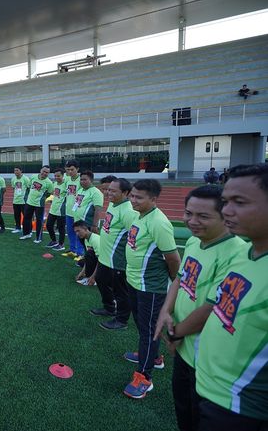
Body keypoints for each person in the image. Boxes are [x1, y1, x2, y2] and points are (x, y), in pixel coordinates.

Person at [152, 185, 247, 431]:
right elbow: (181, 278)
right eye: (188, 213)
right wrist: (165, 311)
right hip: (183, 350)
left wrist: (176, 333)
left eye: (203, 216)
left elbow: (212, 308)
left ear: (225, 215)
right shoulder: (195, 241)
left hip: (206, 357)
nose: (192, 221)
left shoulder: (237, 254)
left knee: (200, 416)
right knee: (183, 410)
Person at [193, 164, 268, 430]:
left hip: (241, 409)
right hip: (210, 388)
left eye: (239, 202)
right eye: (225, 201)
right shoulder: (246, 255)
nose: (226, 211)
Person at [122, 179, 181, 399]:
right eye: (132, 195)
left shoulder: (159, 222)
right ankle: (153, 357)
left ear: (153, 199)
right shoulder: (140, 216)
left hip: (151, 287)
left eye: (139, 197)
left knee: (148, 331)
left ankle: (144, 377)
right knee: (142, 325)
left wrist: (174, 281)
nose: (133, 200)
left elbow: (173, 258)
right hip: (135, 282)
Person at [95, 178, 138, 330]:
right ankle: (109, 307)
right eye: (108, 190)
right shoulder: (114, 204)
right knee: (100, 279)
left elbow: (134, 236)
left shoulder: (128, 211)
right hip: (105, 256)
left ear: (125, 193)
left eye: (113, 191)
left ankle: (121, 320)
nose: (108, 193)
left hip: (117, 259)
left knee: (121, 291)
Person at [72, 171, 105, 262]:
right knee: (83, 244)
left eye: (85, 179)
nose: (82, 181)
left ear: (91, 180)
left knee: (91, 247)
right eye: (81, 179)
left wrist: (94, 226)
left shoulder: (96, 192)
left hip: (88, 225)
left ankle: (92, 264)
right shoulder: (80, 190)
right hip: (79, 223)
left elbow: (98, 210)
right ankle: (86, 260)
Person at [21, 166, 53, 242]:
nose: (45, 173)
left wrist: (41, 199)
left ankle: (38, 238)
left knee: (39, 221)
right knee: (26, 218)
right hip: (29, 202)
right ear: (40, 170)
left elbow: (49, 193)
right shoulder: (33, 176)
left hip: (39, 204)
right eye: (44, 171)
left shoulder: (49, 183)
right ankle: (27, 234)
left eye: (47, 172)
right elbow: (29, 187)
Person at [63, 160, 84, 258]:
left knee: (79, 233)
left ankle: (80, 253)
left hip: (78, 212)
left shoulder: (81, 180)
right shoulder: (67, 179)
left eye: (72, 169)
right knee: (70, 232)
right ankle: (72, 250)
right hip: (68, 211)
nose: (70, 172)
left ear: (77, 169)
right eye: (68, 170)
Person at [45, 168, 67, 250]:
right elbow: (54, 195)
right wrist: (50, 199)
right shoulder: (55, 184)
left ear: (63, 175)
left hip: (61, 210)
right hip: (53, 209)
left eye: (59, 176)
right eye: (55, 176)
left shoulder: (66, 184)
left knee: (61, 228)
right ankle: (54, 241)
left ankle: (61, 244)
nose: (57, 177)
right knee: (49, 225)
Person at [73, 220, 100, 286]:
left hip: (107, 264)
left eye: (78, 231)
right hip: (100, 261)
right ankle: (88, 276)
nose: (77, 234)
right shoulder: (86, 239)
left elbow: (101, 261)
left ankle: (94, 279)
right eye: (76, 232)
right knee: (82, 261)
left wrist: (93, 277)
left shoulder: (95, 240)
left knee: (89, 254)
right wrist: (81, 273)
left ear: (85, 228)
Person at [10, 167, 30, 234]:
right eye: (14, 170)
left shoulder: (26, 179)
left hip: (23, 201)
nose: (15, 172)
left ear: (21, 171)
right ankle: (18, 227)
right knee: (16, 215)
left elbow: (29, 188)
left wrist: (26, 198)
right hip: (15, 200)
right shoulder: (13, 179)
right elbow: (14, 188)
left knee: (26, 216)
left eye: (17, 170)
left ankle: (29, 230)